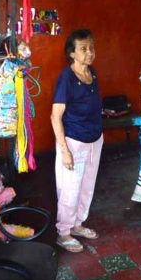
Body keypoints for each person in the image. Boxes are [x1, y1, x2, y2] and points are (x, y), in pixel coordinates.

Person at [51, 29, 103, 253]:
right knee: (70, 188)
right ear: (72, 53)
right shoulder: (67, 78)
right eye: (83, 49)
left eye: (91, 47)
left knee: (86, 186)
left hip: (94, 140)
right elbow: (55, 116)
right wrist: (64, 151)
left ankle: (78, 224)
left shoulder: (92, 74)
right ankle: (63, 232)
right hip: (74, 142)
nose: (89, 52)